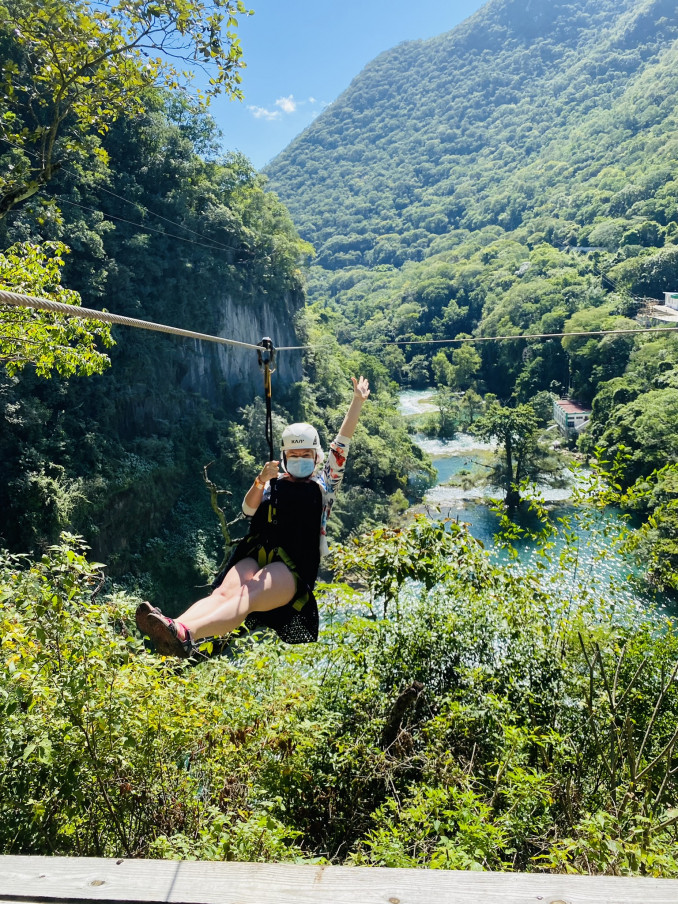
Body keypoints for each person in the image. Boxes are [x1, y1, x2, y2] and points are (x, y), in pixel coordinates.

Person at [135, 376, 370, 656]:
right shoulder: (273, 479)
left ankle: (187, 635)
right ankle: (175, 627)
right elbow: (248, 509)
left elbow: (341, 443)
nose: (299, 458)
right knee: (222, 594)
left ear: (316, 457)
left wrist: (357, 401)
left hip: (292, 567)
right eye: (293, 454)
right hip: (257, 551)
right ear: (284, 456)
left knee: (247, 596)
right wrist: (261, 479)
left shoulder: (324, 485)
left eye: (305, 454)